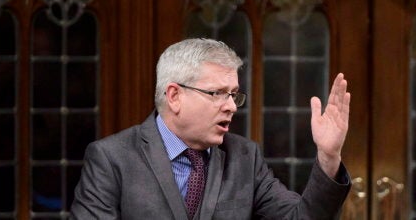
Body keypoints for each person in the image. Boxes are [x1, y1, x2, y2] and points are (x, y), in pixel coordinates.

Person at [70, 38, 352, 219]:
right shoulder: (112, 158)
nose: (231, 106)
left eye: (234, 95)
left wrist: (328, 157)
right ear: (174, 96)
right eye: (217, 93)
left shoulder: (244, 157)